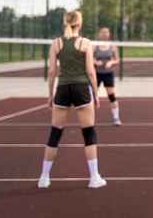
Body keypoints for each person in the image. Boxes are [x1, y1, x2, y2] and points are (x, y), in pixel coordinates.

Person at [37, 10, 107, 189]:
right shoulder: (85, 43)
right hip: (81, 88)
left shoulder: (56, 43)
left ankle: (44, 178)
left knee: (55, 133)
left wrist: (50, 94)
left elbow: (52, 71)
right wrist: (96, 93)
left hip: (63, 88)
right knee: (88, 133)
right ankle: (94, 178)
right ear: (79, 24)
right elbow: (91, 71)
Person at [95, 27, 122, 126]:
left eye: (106, 32)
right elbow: (89, 58)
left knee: (111, 95)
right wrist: (95, 62)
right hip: (97, 73)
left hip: (108, 74)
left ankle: (116, 117)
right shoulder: (95, 46)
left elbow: (117, 60)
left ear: (109, 34)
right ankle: (90, 117)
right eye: (102, 32)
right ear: (99, 34)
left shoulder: (112, 46)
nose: (104, 34)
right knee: (93, 96)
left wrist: (111, 62)